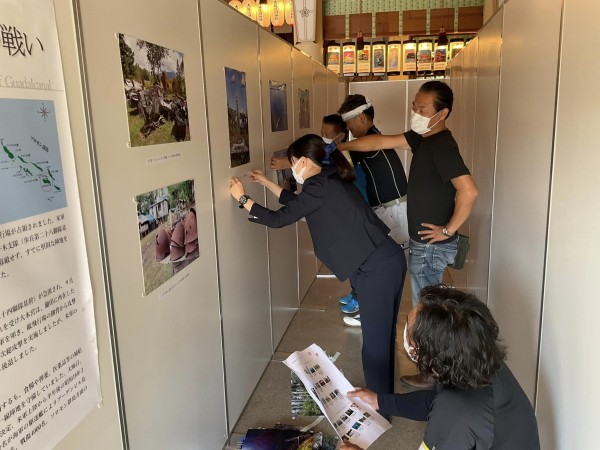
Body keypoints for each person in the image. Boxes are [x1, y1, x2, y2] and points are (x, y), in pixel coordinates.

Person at [230, 134, 406, 395]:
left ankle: (378, 406)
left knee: (375, 343)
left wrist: (243, 200)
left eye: (291, 163)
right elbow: (298, 204)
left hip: (376, 267)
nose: (291, 169)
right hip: (381, 261)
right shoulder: (329, 177)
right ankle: (382, 398)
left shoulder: (319, 186)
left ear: (302, 161)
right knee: (380, 337)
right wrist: (267, 182)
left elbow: (281, 219)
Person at [340, 286, 540, 450]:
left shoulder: (457, 414)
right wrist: (379, 401)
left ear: (431, 354)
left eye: (409, 331)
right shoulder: (476, 359)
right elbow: (436, 400)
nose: (405, 335)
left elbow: (447, 407)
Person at [271, 114, 367, 318]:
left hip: (350, 220)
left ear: (340, 136)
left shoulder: (336, 161)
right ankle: (357, 294)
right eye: (322, 133)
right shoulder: (333, 161)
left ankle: (360, 300)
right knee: (355, 262)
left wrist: (287, 163)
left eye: (327, 134)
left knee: (357, 261)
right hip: (349, 220)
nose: (324, 137)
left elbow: (315, 165)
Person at [337, 95, 410, 316]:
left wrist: (338, 146)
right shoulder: (367, 141)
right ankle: (363, 300)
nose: (349, 129)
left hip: (393, 211)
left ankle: (371, 311)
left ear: (361, 118)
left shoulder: (371, 141)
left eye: (349, 124)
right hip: (385, 209)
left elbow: (350, 150)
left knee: (382, 266)